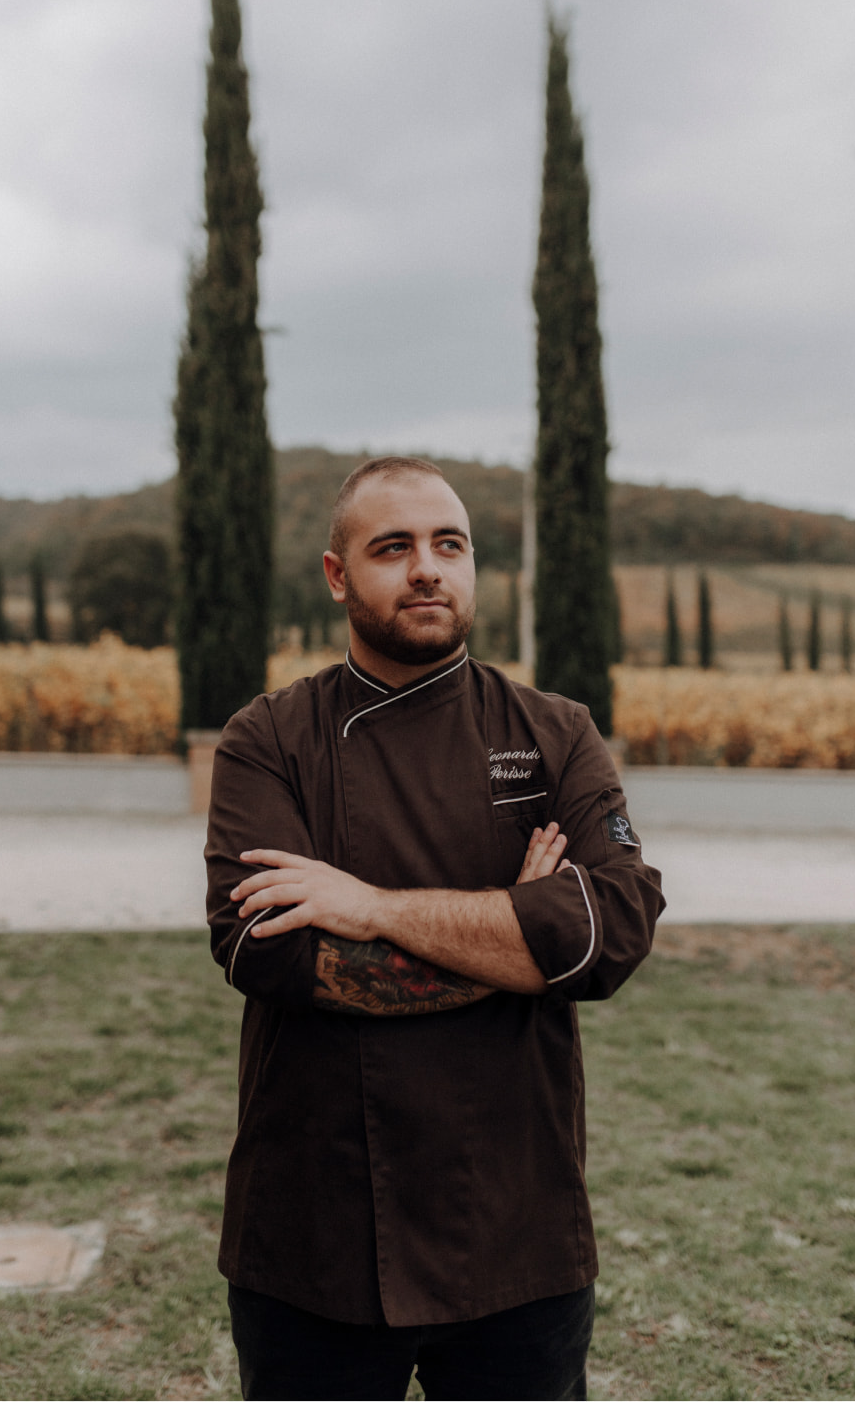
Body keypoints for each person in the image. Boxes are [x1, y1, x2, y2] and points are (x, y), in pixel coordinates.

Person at [205, 456, 665, 1401]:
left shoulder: (555, 731)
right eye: (393, 547)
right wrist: (522, 939)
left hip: (515, 1224)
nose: (427, 568)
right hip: (315, 1229)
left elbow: (611, 928)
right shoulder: (269, 739)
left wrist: (370, 907)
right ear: (339, 577)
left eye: (448, 545)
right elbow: (273, 950)